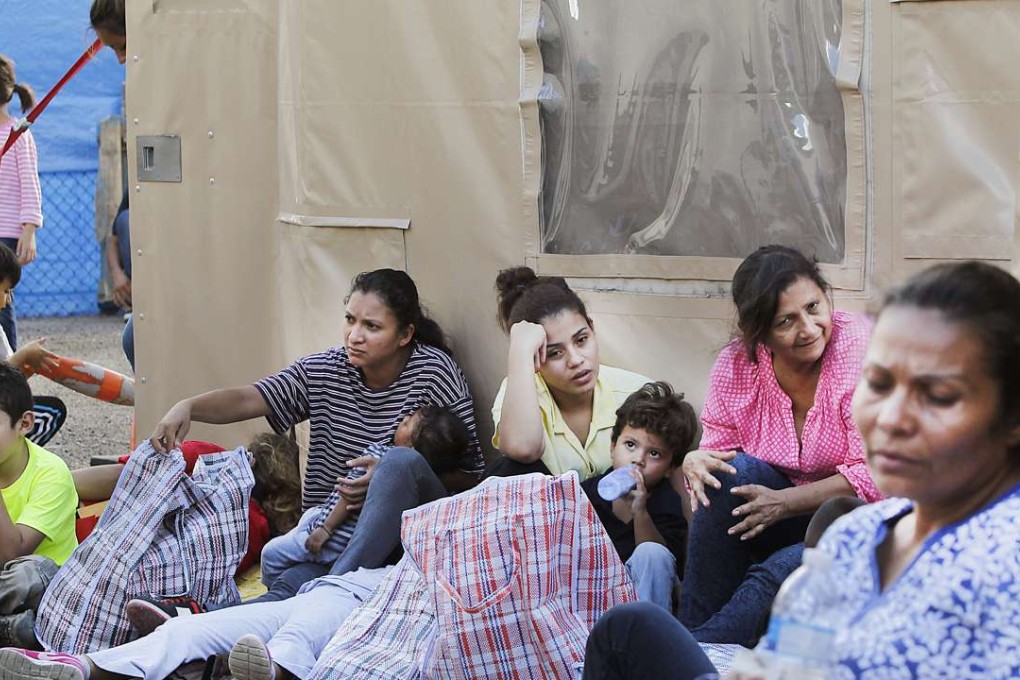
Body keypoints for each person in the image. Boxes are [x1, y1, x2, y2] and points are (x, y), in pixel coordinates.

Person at [584, 260, 1020, 679]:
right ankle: (700, 639)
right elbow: (795, 656)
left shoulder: (999, 556)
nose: (891, 417)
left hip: (815, 519)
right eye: (880, 384)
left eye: (939, 395)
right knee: (627, 627)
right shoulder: (856, 538)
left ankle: (699, 644)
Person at [149, 268, 483, 603]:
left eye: (372, 326)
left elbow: (472, 478)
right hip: (328, 537)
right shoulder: (326, 369)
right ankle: (185, 625)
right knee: (285, 592)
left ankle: (331, 591)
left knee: (398, 463)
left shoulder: (434, 373)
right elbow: (251, 398)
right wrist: (188, 407)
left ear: (405, 334)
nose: (354, 335)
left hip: (407, 543)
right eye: (350, 320)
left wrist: (387, 480)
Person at [677, 245, 881, 644]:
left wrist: (784, 503)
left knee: (785, 568)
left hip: (858, 521)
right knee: (724, 472)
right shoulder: (737, 366)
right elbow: (719, 456)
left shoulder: (859, 349)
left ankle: (691, 650)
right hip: (777, 514)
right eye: (786, 321)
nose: (809, 329)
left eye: (814, 307)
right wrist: (696, 462)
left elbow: (877, 473)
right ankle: (690, 627)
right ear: (759, 332)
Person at [0, 565, 394, 680]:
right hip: (315, 590)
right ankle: (85, 667)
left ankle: (271, 670)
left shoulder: (416, 566)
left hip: (359, 601)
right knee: (185, 630)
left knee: (298, 634)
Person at [258, 405, 470, 589]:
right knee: (310, 517)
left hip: (331, 536)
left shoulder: (383, 455)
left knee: (270, 554)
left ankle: (280, 587)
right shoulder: (418, 483)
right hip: (341, 535)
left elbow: (349, 493)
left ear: (411, 447)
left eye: (407, 424)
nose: (404, 417)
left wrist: (326, 528)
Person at [489, 266, 651, 479]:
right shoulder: (520, 392)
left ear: (592, 328)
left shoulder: (637, 393)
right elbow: (523, 449)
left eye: (581, 340)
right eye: (555, 353)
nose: (576, 360)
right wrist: (519, 351)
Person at [581, 382, 695, 613]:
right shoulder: (585, 493)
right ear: (613, 447)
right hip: (594, 597)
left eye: (654, 454)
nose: (638, 460)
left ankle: (646, 634)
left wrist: (640, 512)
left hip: (642, 601)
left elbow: (661, 563)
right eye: (630, 445)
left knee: (652, 553)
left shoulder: (666, 502)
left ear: (670, 468)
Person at [0, 364, 78, 649]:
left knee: (28, 573)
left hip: (48, 587)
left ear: (25, 423)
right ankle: (10, 630)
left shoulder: (51, 473)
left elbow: (12, 554)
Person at [0, 55, 42, 352]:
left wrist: (29, 230)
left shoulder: (18, 134)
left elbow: (30, 182)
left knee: (2, 302)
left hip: (6, 234)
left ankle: (8, 366)